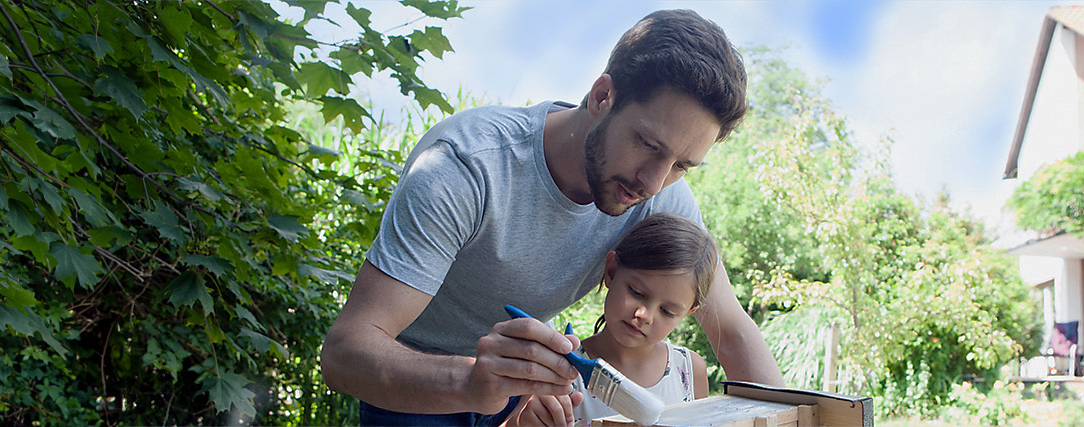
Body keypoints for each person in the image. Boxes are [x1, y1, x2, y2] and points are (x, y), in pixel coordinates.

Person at [320, 9, 784, 426]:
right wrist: (468, 382)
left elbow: (732, 331)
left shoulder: (661, 193)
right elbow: (345, 354)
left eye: (682, 164)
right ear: (603, 95)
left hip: (530, 395)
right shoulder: (468, 166)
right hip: (417, 385)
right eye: (649, 144)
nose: (654, 181)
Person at [508, 213, 715, 426]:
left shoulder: (691, 371)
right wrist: (525, 421)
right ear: (612, 271)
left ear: (687, 314)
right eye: (636, 292)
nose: (644, 315)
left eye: (667, 311)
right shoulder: (558, 371)